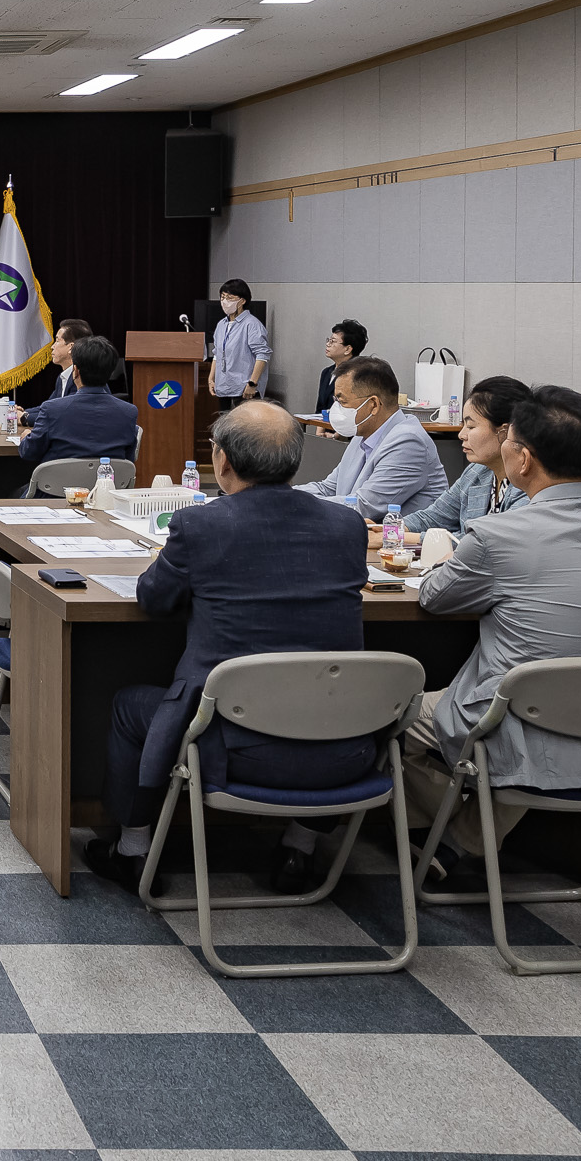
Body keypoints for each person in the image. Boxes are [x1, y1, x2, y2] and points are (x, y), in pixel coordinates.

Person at [84, 403, 372, 897]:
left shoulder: (201, 526)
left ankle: (132, 851)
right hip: (345, 744)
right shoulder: (348, 527)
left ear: (220, 461)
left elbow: (154, 599)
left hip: (228, 746)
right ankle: (298, 849)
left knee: (130, 704)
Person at [405, 386, 581, 880]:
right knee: (543, 692)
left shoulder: (498, 536)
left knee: (391, 713)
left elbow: (434, 597)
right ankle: (461, 840)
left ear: (523, 458)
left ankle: (440, 832)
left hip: (533, 733)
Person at [300, 354, 448, 520]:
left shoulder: (408, 442)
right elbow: (328, 488)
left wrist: (293, 505)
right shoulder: (362, 434)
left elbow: (363, 506)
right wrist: (282, 495)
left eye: (342, 402)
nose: (336, 408)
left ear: (373, 405)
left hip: (402, 543)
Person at [405, 375, 532, 542]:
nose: (461, 434)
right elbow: (433, 517)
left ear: (505, 431)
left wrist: (403, 537)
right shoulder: (477, 472)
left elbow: (483, 543)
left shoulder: (528, 484)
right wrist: (390, 528)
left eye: (471, 426)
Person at [15, 335, 139, 472]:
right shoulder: (129, 412)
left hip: (56, 492)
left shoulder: (52, 410)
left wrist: (26, 438)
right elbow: (128, 459)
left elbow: (30, 452)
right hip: (105, 490)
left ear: (76, 371)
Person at [207, 279, 270, 407]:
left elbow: (262, 355)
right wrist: (211, 378)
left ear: (242, 301)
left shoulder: (252, 324)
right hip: (223, 388)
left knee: (244, 426)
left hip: (245, 389)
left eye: (230, 298)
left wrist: (253, 383)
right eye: (222, 297)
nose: (224, 301)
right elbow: (217, 354)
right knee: (225, 425)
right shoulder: (221, 324)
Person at [317, 319, 367, 416]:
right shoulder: (326, 372)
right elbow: (320, 408)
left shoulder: (357, 374)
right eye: (329, 340)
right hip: (323, 427)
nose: (328, 344)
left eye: (333, 341)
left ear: (348, 349)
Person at [46, 318, 95, 397]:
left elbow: (64, 407)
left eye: (57, 341)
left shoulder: (83, 379)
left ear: (71, 347)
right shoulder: (62, 377)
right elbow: (48, 407)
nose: (52, 346)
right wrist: (21, 410)